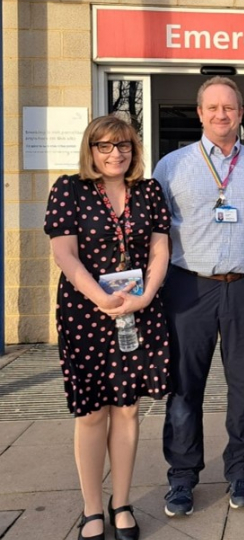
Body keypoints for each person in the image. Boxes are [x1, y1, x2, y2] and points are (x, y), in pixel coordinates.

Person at [154, 76, 244, 516]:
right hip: (189, 287)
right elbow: (157, 232)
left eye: (229, 108)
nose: (221, 115)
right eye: (213, 108)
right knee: (185, 387)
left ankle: (241, 469)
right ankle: (182, 477)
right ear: (200, 113)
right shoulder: (170, 167)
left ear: (240, 114)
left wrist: (238, 256)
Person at [44, 115, 172, 540]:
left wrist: (147, 294)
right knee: (93, 412)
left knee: (129, 409)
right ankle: (92, 508)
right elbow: (64, 253)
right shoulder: (69, 189)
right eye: (105, 146)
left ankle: (121, 502)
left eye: (124, 146)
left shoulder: (148, 190)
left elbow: (159, 246)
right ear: (91, 149)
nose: (116, 154)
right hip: (87, 314)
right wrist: (99, 298)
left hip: (138, 310)